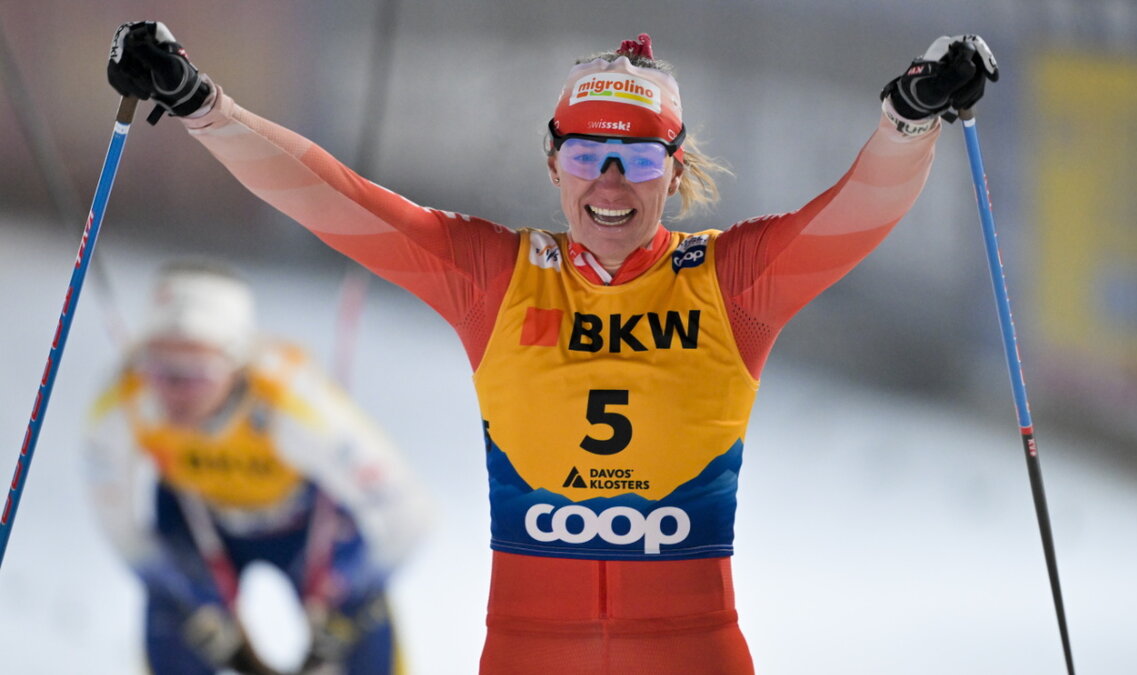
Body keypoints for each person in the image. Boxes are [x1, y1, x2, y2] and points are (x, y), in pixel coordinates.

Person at [106, 22, 997, 674]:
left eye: (638, 161)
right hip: (529, 648)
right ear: (552, 161)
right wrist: (201, 104)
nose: (610, 185)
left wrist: (908, 119)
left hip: (691, 648)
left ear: (675, 168)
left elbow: (856, 212)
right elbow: (331, 196)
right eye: (586, 157)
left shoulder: (732, 283)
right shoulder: (494, 277)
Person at [85, 259, 433, 675]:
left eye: (197, 375)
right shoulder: (126, 401)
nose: (175, 394)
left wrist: (355, 594)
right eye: (159, 370)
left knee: (365, 637)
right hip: (195, 516)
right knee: (175, 623)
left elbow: (410, 512)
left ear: (236, 365)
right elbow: (120, 527)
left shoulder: (293, 406)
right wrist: (177, 587)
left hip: (306, 522)